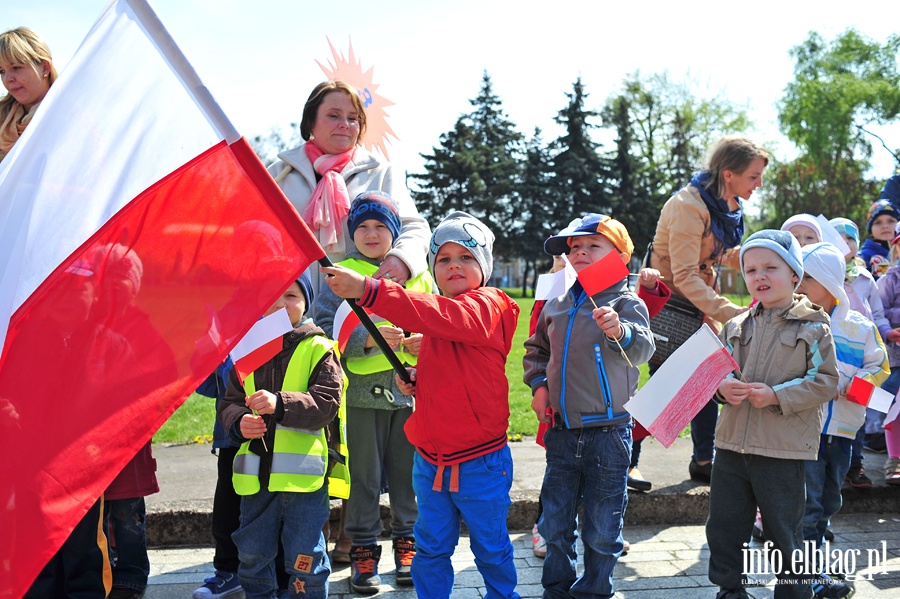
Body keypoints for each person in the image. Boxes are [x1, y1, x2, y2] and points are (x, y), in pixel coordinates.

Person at [322, 211, 521, 599]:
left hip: (480, 462)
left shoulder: (489, 305)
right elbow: (449, 362)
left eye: (465, 257)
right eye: (443, 259)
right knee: (430, 549)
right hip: (430, 461)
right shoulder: (439, 314)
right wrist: (417, 380)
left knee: (491, 549)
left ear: (484, 266)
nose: (454, 266)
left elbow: (443, 317)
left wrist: (368, 288)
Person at [523, 214, 655, 599]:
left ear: (620, 256)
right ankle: (557, 589)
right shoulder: (558, 303)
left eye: (591, 246)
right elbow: (536, 350)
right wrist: (538, 384)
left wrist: (620, 330)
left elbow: (643, 347)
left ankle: (596, 590)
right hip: (562, 433)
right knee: (555, 523)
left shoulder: (626, 303)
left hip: (609, 434)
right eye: (573, 247)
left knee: (602, 526)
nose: (579, 251)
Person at [709, 230, 839, 599]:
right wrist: (722, 388)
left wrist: (777, 395)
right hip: (732, 446)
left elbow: (825, 382)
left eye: (771, 267)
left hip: (782, 450)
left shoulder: (814, 327)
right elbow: (717, 373)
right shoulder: (735, 326)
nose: (759, 276)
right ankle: (730, 590)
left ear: (795, 275)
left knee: (783, 531)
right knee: (724, 527)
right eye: (751, 270)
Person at [316, 191, 433, 593]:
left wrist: (424, 343)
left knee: (408, 476)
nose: (370, 233)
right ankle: (363, 552)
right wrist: (365, 341)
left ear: (395, 234)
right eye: (362, 226)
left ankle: (407, 545)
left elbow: (437, 321)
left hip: (409, 397)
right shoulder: (338, 273)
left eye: (381, 226)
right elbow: (321, 333)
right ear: (351, 233)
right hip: (358, 398)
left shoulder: (417, 275)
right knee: (362, 479)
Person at [217, 275, 349, 599]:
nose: (280, 304)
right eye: (272, 297)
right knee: (252, 552)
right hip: (256, 478)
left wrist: (281, 402)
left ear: (306, 303)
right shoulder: (247, 349)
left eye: (290, 295)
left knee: (306, 555)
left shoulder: (320, 347)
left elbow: (328, 403)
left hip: (303, 478)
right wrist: (238, 423)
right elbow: (229, 403)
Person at [647, 135, 769, 485]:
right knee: (662, 390)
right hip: (668, 302)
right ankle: (626, 463)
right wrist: (730, 312)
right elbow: (684, 273)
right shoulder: (688, 205)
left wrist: (761, 258)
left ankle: (703, 459)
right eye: (753, 176)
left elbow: (723, 253)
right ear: (728, 174)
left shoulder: (726, 204)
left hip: (698, 300)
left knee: (708, 379)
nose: (759, 184)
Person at [267, 80, 430, 299]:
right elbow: (253, 233)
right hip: (291, 312)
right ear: (310, 122)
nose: (344, 124)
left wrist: (401, 259)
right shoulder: (279, 173)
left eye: (353, 118)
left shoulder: (379, 172)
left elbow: (415, 229)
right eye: (334, 115)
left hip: (360, 313)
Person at [796, 242, 887, 597]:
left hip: (843, 432)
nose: (799, 284)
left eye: (807, 277)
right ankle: (807, 576)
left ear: (832, 283)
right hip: (804, 431)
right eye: (797, 277)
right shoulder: (794, 322)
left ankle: (813, 564)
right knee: (809, 503)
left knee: (828, 502)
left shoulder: (860, 327)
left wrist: (852, 385)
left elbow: (880, 368)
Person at [830, 216, 893, 488]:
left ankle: (856, 466)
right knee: (832, 410)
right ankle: (833, 467)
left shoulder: (866, 277)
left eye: (850, 238)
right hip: (833, 352)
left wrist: (887, 333)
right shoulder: (821, 274)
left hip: (861, 353)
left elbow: (876, 313)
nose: (845, 243)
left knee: (859, 407)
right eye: (838, 238)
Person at [0, 27, 56, 162]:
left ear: (45, 67)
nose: (7, 78)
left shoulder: (67, 115)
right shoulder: (2, 113)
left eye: (16, 67)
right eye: (1, 71)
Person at [875, 229, 900, 486]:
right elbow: (878, 311)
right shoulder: (890, 278)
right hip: (895, 355)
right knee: (892, 406)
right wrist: (889, 330)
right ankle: (894, 458)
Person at [858, 199, 900, 280]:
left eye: (891, 221)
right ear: (870, 231)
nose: (885, 226)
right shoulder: (864, 256)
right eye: (878, 222)